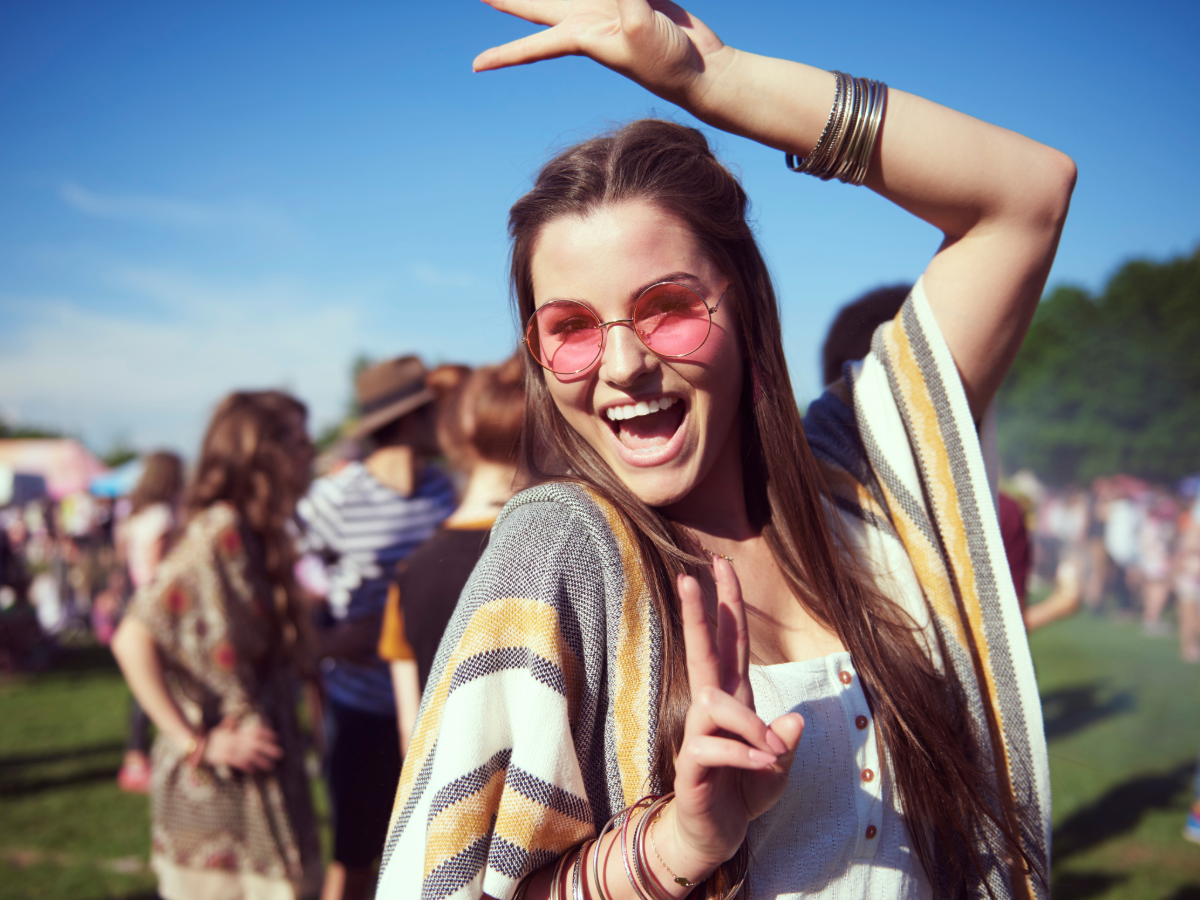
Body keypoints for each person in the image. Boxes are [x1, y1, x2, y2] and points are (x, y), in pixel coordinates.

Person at [377, 2, 1074, 898]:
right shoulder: (560, 552)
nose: (623, 365)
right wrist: (671, 848)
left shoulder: (862, 477)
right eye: (572, 328)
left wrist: (712, 78)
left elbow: (1028, 195)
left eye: (668, 305)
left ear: (745, 305)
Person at [111, 391, 321, 900]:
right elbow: (132, 636)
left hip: (261, 772)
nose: (311, 449)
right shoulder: (218, 530)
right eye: (296, 439)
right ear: (259, 453)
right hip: (219, 793)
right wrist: (196, 742)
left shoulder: (257, 533)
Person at [297, 356, 456, 900]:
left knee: (420, 861)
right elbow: (281, 576)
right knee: (354, 863)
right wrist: (322, 641)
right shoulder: (336, 497)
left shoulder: (443, 490)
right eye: (434, 409)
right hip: (361, 709)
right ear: (411, 420)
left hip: (435, 709)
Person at [378, 353, 526, 753]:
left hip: (451, 803)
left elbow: (413, 734)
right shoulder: (564, 551)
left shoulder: (410, 573)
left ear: (455, 441)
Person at [114, 450, 185, 794]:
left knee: (143, 681)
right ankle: (139, 757)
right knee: (153, 684)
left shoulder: (136, 514)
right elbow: (159, 570)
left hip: (136, 600)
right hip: (157, 607)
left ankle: (136, 755)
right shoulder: (161, 515)